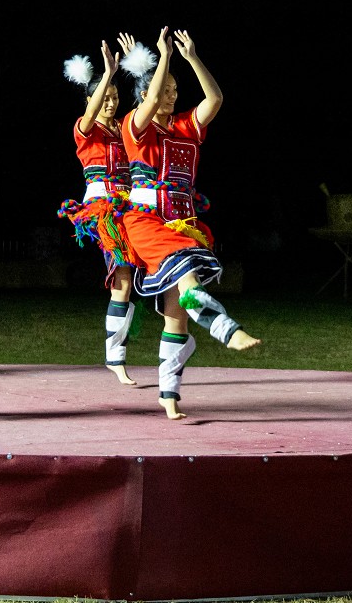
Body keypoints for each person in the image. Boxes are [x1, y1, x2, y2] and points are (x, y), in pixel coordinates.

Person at [119, 27, 261, 420]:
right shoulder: (136, 125)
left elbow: (214, 98)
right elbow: (149, 98)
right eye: (165, 88)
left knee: (175, 314)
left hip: (182, 222)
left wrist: (192, 57)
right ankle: (226, 330)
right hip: (146, 221)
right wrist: (164, 56)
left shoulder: (186, 127)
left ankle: (169, 395)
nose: (172, 93)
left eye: (175, 88)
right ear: (149, 92)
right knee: (185, 271)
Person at [58, 39, 139, 385]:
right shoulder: (85, 128)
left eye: (115, 97)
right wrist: (108, 72)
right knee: (121, 279)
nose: (110, 102)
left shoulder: (124, 130)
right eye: (104, 97)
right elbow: (90, 114)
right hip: (103, 211)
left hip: (132, 208)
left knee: (142, 279)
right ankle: (115, 356)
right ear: (90, 100)